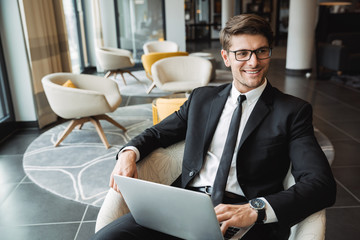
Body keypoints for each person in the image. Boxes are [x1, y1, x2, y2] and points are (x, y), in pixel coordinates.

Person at [92, 14, 336, 240]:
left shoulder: (293, 111)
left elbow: (320, 184)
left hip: (245, 214)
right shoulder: (202, 99)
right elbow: (157, 133)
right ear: (226, 57)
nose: (254, 62)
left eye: (261, 51)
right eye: (242, 53)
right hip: (185, 204)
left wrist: (255, 210)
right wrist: (128, 154)